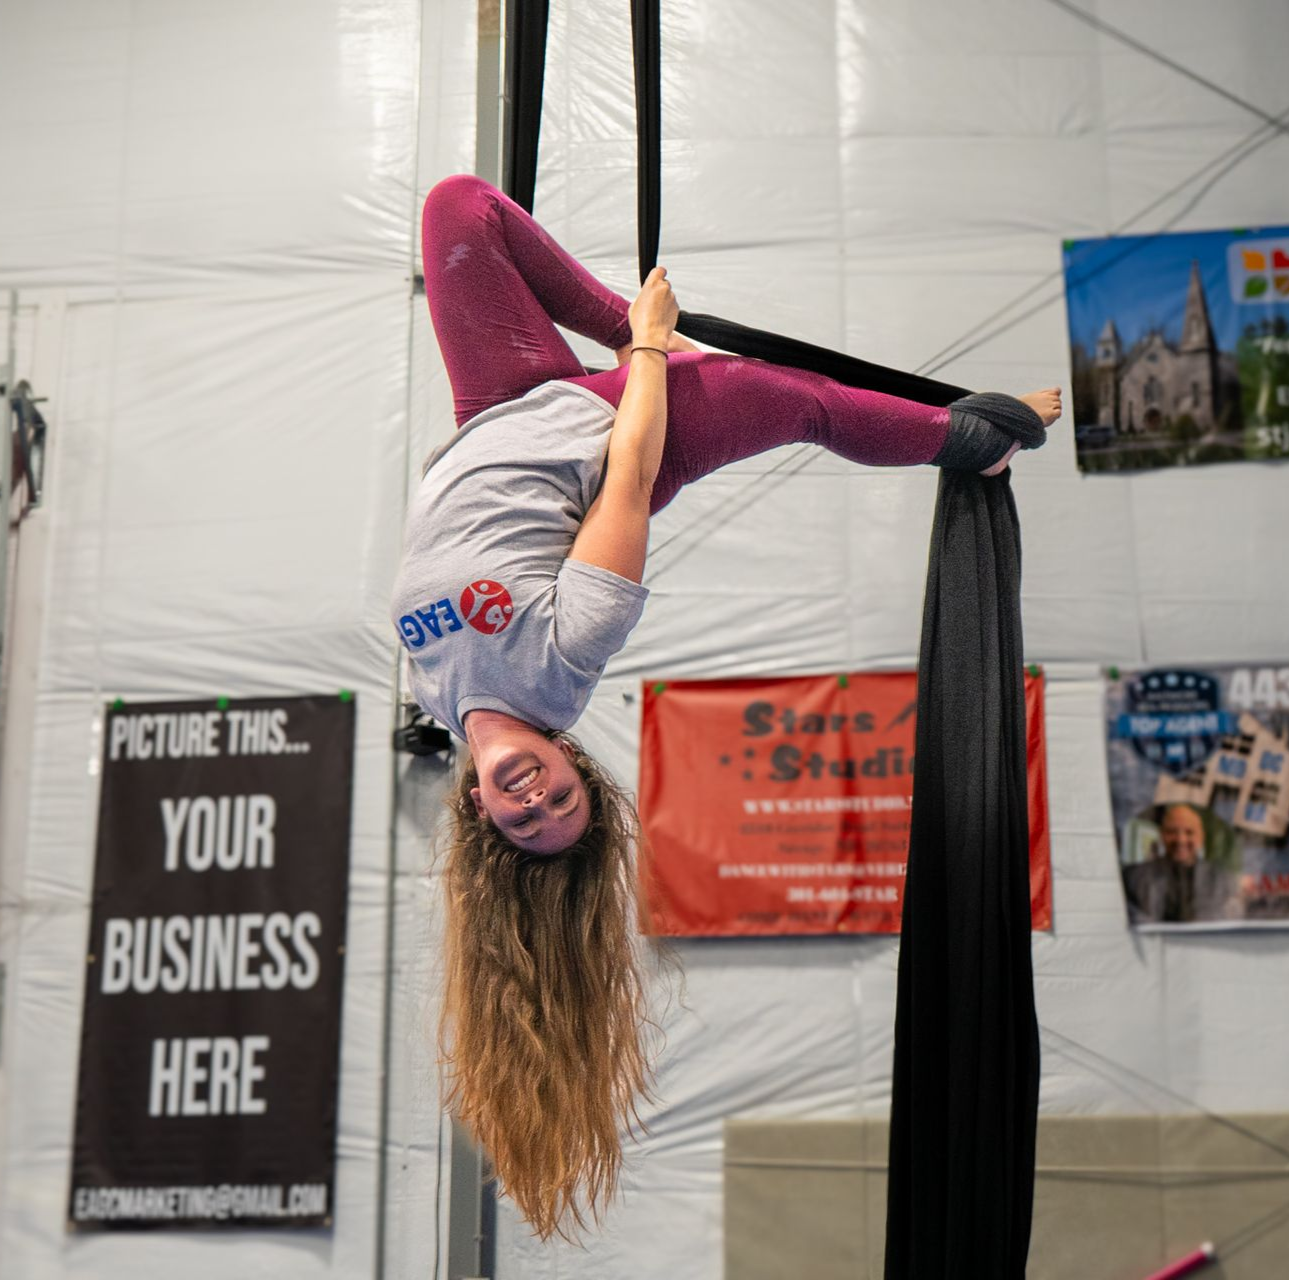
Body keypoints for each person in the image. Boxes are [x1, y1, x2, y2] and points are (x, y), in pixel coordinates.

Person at [395, 173, 1062, 1237]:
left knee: (455, 210)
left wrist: (627, 334)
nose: (531, 799)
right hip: (611, 430)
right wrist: (647, 349)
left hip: (496, 411)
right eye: (559, 801)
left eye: (523, 818)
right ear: (574, 766)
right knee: (787, 399)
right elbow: (630, 474)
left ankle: (640, 326)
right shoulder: (564, 662)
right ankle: (973, 437)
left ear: (480, 812)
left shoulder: (436, 688)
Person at [1122, 803, 1240, 924]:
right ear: (1162, 835)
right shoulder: (1134, 878)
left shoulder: (1222, 880)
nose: (1181, 840)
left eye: (1189, 832)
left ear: (1200, 838)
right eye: (1172, 832)